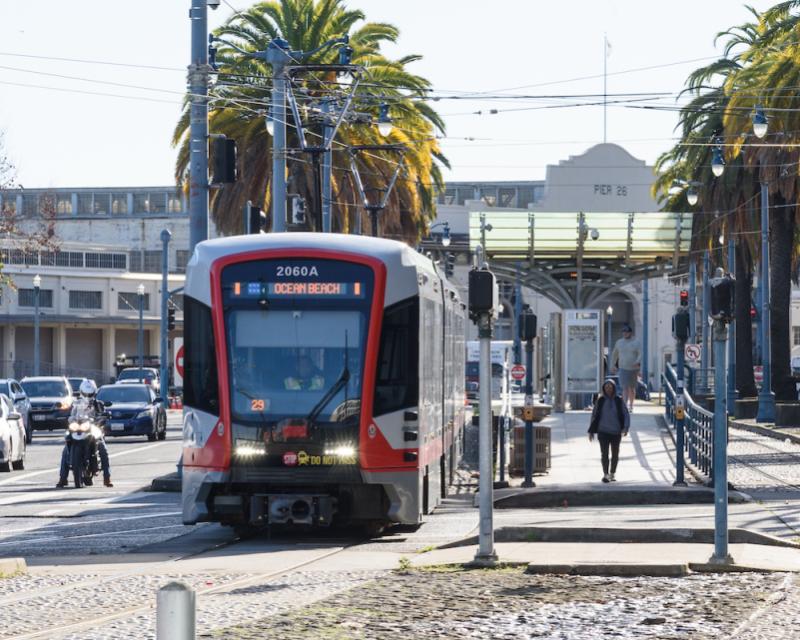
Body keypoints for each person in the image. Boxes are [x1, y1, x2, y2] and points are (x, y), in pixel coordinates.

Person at [56, 379, 112, 488]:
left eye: (90, 394)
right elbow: (66, 407)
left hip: (93, 428)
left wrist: (104, 415)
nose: (87, 396)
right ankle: (63, 478)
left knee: (103, 449)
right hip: (77, 427)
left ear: (94, 393)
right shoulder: (75, 403)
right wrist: (62, 409)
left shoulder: (98, 404)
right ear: (81, 392)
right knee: (65, 451)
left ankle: (107, 477)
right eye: (85, 393)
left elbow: (103, 414)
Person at [588, 378, 630, 483]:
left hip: (616, 432)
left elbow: (626, 414)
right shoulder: (600, 401)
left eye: (610, 387)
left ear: (614, 388)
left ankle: (612, 473)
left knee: (615, 454)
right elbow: (594, 415)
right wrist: (591, 431)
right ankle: (605, 474)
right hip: (603, 432)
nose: (608, 389)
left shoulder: (618, 400)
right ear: (603, 389)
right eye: (606, 387)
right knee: (604, 454)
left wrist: (626, 427)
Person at [611, 324, 642, 412]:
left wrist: (637, 361)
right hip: (623, 368)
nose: (625, 333)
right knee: (624, 387)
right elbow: (614, 354)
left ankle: (631, 405)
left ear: (630, 333)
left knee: (631, 388)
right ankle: (625, 405)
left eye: (627, 332)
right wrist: (612, 364)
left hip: (633, 369)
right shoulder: (619, 342)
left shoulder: (636, 342)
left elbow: (640, 353)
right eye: (623, 332)